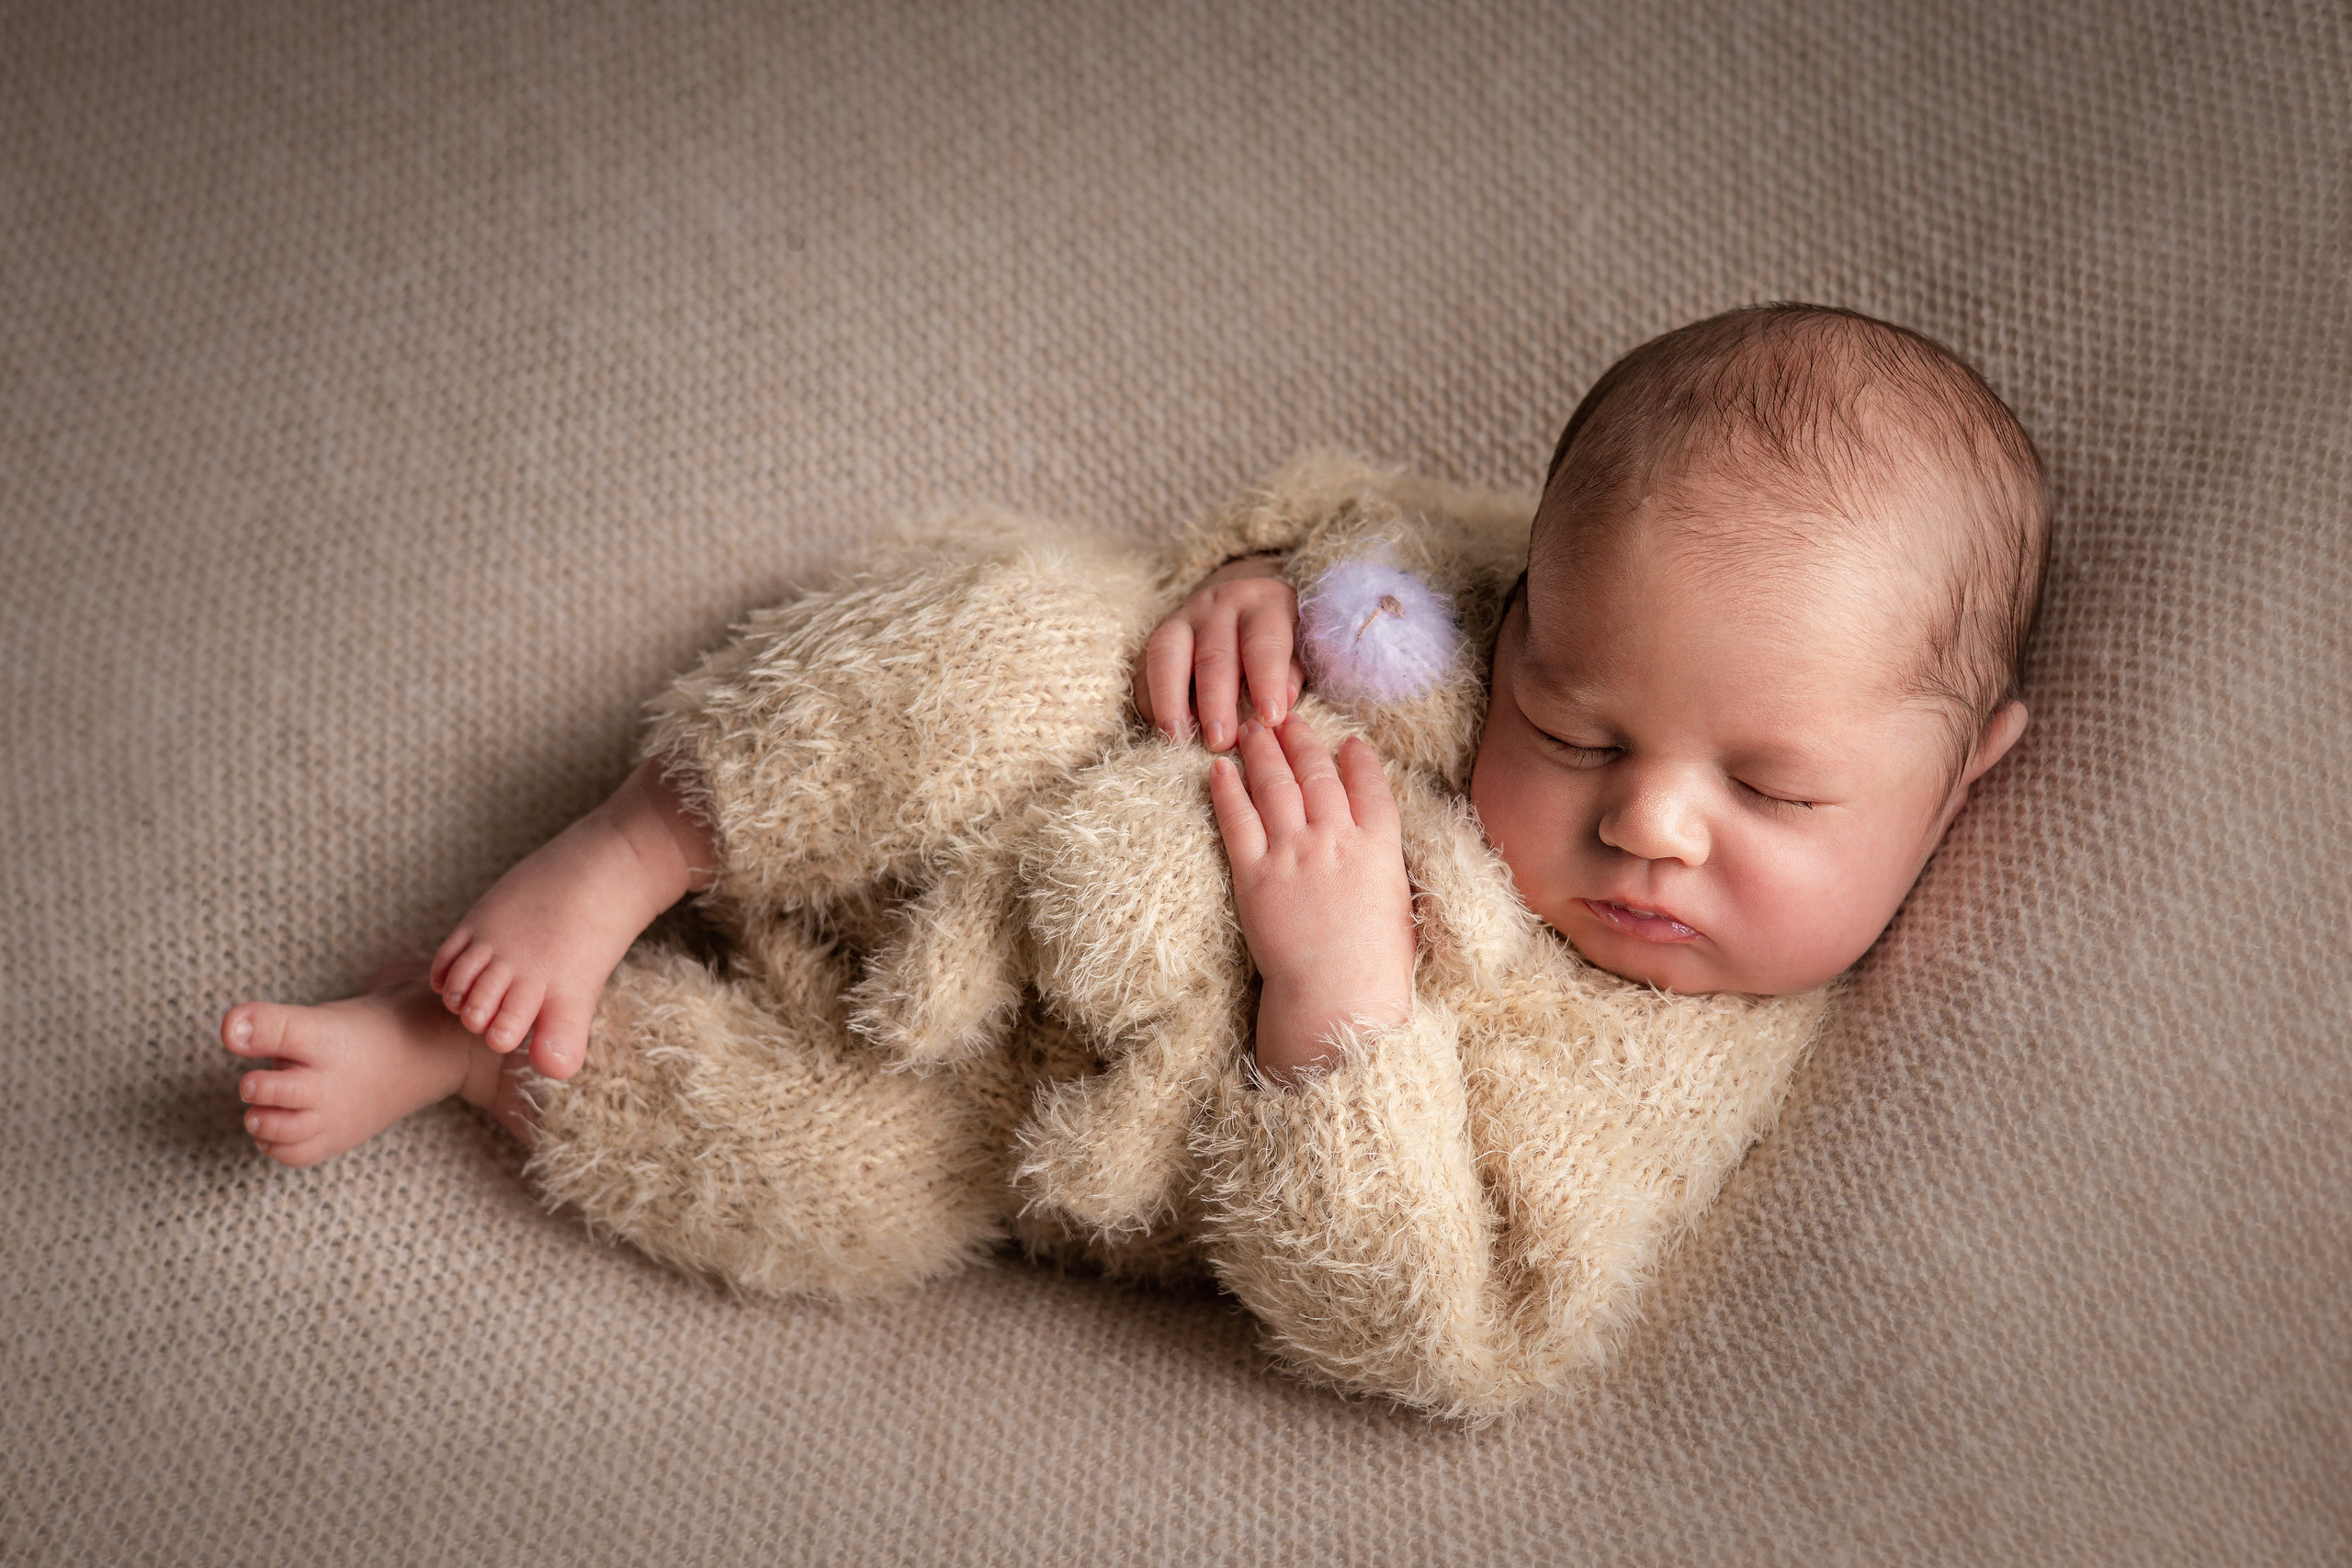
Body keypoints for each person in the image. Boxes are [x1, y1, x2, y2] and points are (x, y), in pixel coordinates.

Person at [219, 303, 2045, 1410]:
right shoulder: (1526, 587)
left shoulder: (1671, 1064)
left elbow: (1440, 1332)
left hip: (1024, 1099)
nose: (1647, 820)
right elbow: (1368, 532)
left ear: (1962, 773)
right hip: (1034, 786)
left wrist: (1335, 1003)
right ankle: (633, 844)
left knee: (845, 1191)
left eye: (1772, 793)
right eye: (1573, 729)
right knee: (1031, 622)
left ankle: (480, 1052)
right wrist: (1247, 588)